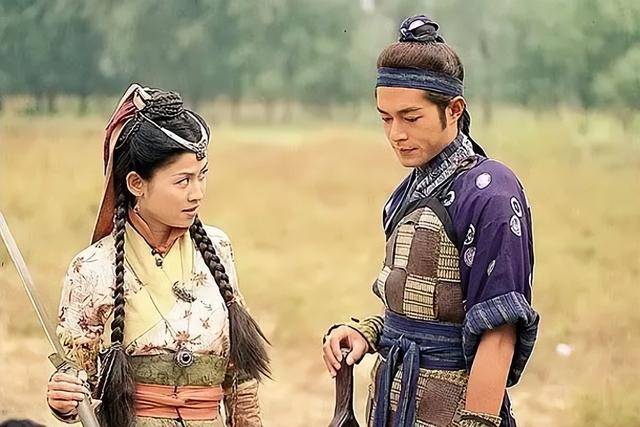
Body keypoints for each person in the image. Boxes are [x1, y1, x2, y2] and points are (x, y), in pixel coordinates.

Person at [322, 15, 539, 427]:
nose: (395, 134)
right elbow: (416, 309)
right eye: (385, 118)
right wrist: (368, 332)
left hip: (455, 410)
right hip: (391, 404)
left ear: (453, 110)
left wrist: (476, 423)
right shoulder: (407, 190)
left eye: (411, 117)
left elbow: (499, 334)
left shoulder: (491, 191)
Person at [45, 85, 269, 426]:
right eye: (183, 181)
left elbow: (241, 379)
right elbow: (79, 386)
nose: (198, 193)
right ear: (137, 183)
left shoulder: (218, 248)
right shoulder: (92, 268)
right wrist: (63, 400)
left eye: (202, 176)